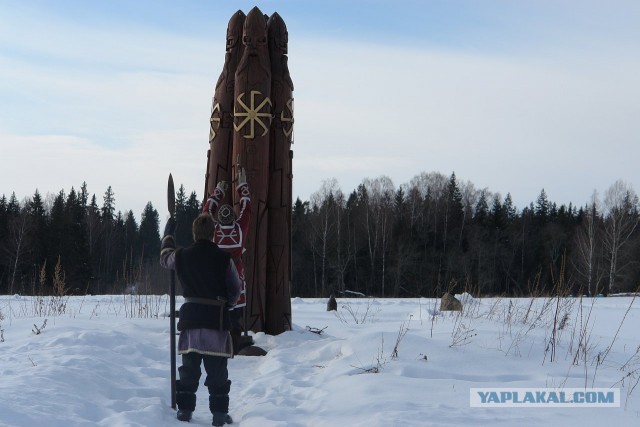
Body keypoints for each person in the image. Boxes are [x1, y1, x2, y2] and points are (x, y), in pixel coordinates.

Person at [160, 212, 241, 426]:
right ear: (213, 233)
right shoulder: (224, 259)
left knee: (189, 370)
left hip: (192, 322)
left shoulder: (182, 255)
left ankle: (185, 411)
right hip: (216, 321)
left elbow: (165, 257)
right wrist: (229, 304)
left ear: (194, 233)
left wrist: (168, 234)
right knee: (217, 373)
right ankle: (219, 415)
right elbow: (235, 288)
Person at [203, 166, 251, 348]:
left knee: (219, 314)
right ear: (233, 217)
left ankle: (219, 344)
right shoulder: (239, 230)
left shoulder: (213, 232)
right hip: (236, 277)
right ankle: (235, 345)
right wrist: (242, 186)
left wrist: (218, 192)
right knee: (235, 316)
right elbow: (247, 208)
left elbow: (206, 213)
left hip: (216, 280)